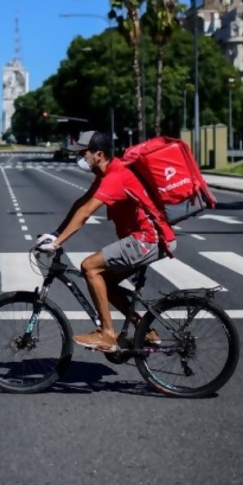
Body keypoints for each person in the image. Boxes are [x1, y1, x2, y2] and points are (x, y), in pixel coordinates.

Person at [35, 131, 176, 353]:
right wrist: (55, 233)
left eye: (84, 153)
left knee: (90, 267)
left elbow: (86, 213)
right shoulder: (105, 174)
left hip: (147, 239)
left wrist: (57, 243)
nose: (79, 158)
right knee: (105, 283)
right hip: (149, 239)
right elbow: (81, 203)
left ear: (99, 154)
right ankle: (145, 330)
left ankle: (107, 334)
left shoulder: (115, 177)